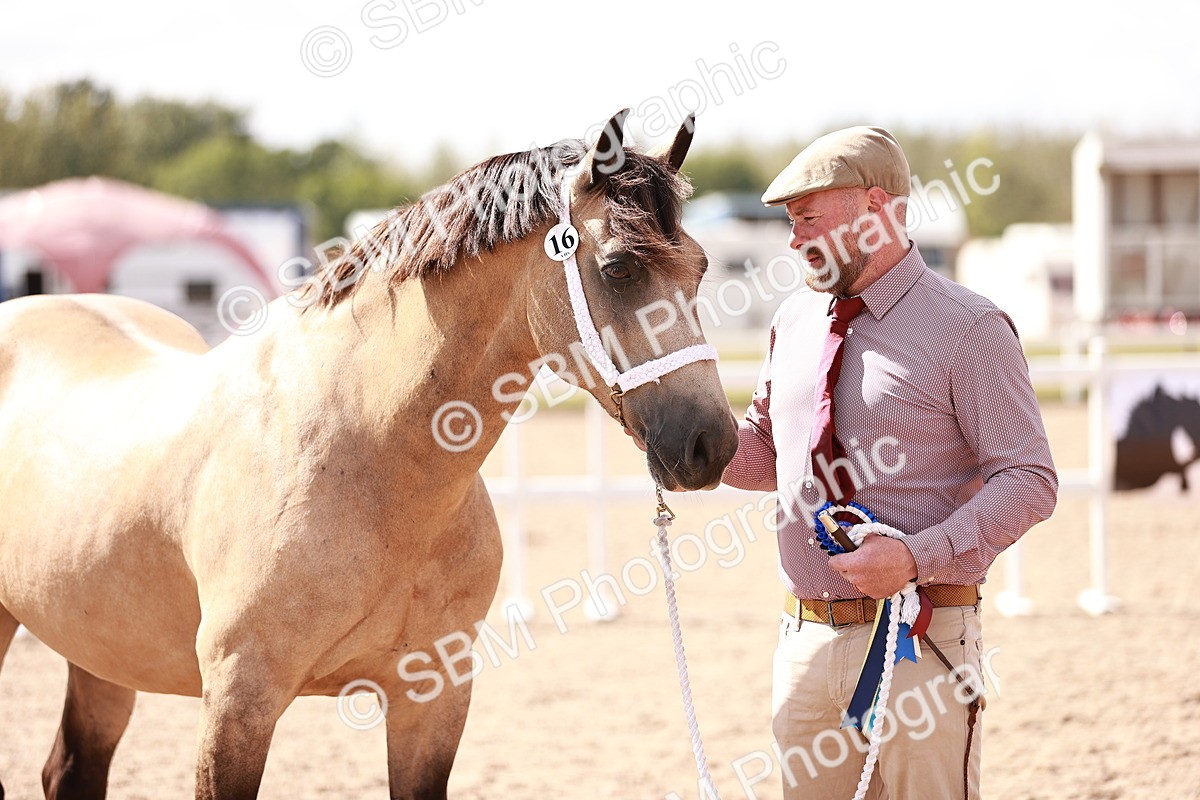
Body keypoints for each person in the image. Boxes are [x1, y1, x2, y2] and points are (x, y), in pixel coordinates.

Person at [720, 127, 1058, 799]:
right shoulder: (793, 321)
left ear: (875, 206)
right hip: (806, 643)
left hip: (921, 642)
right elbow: (765, 455)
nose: (794, 240)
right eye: (791, 223)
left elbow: (1030, 480)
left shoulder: (969, 327)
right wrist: (673, 432)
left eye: (808, 219)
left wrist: (915, 556)